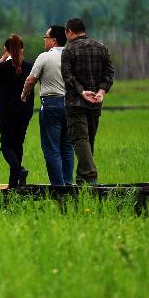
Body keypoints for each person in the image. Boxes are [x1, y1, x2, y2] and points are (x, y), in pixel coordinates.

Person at [60, 18, 116, 185]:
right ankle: (82, 180)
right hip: (95, 102)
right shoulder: (101, 48)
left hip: (75, 103)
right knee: (88, 140)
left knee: (80, 139)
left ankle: (90, 177)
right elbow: (110, 72)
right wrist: (101, 91)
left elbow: (67, 76)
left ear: (70, 32)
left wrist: (81, 91)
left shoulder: (69, 51)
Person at [21, 25, 74, 186]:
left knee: (52, 148)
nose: (44, 40)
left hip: (51, 104)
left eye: (46, 37)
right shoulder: (71, 55)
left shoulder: (45, 57)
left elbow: (31, 80)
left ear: (54, 40)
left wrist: (24, 94)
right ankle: (68, 183)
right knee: (67, 147)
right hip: (71, 105)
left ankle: (58, 186)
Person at [0, 34, 35, 188]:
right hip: (25, 111)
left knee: (6, 146)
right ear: (22, 49)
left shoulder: (3, 67)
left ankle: (18, 170)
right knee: (18, 145)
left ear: (6, 50)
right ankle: (14, 184)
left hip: (7, 112)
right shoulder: (30, 66)